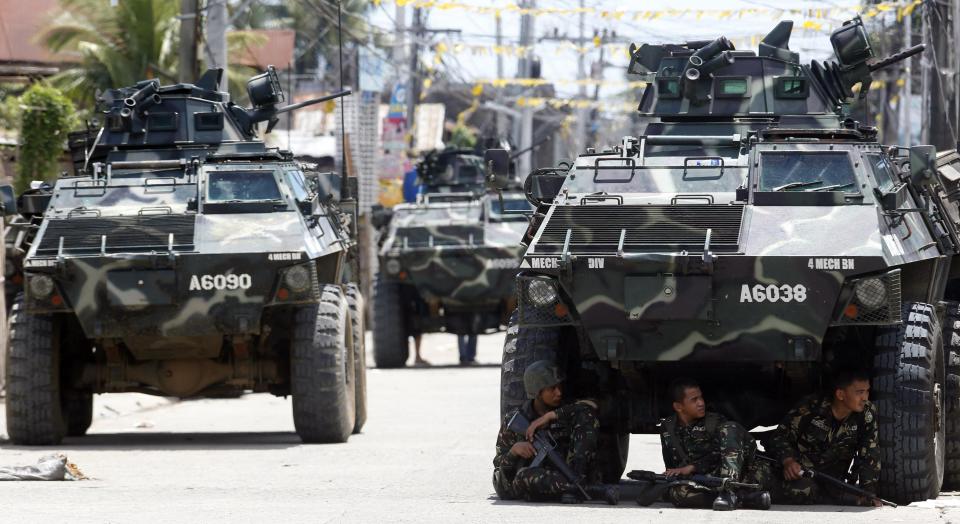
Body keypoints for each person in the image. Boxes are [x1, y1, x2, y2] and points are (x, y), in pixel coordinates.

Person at [492, 360, 617, 504]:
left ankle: (572, 488)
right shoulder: (515, 421)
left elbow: (594, 406)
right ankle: (588, 490)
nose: (559, 392)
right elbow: (500, 467)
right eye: (552, 388)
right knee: (523, 476)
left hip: (575, 472)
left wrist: (551, 416)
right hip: (542, 475)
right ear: (537, 392)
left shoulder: (567, 410)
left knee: (586, 416)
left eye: (559, 387)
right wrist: (514, 452)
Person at [767, 369, 881, 506]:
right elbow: (779, 437)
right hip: (800, 476)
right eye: (859, 392)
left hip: (832, 482)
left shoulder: (866, 413)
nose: (865, 398)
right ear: (840, 394)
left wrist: (868, 493)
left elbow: (870, 453)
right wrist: (788, 461)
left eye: (867, 391)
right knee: (804, 490)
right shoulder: (811, 407)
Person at [659, 378, 771, 511]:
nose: (701, 403)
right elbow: (671, 462)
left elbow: (726, 455)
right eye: (694, 400)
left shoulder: (714, 422)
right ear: (678, 406)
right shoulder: (668, 427)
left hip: (737, 472)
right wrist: (673, 476)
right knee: (677, 493)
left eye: (701, 398)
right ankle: (743, 498)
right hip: (707, 477)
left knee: (730, 427)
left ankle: (729, 491)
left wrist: (693, 467)